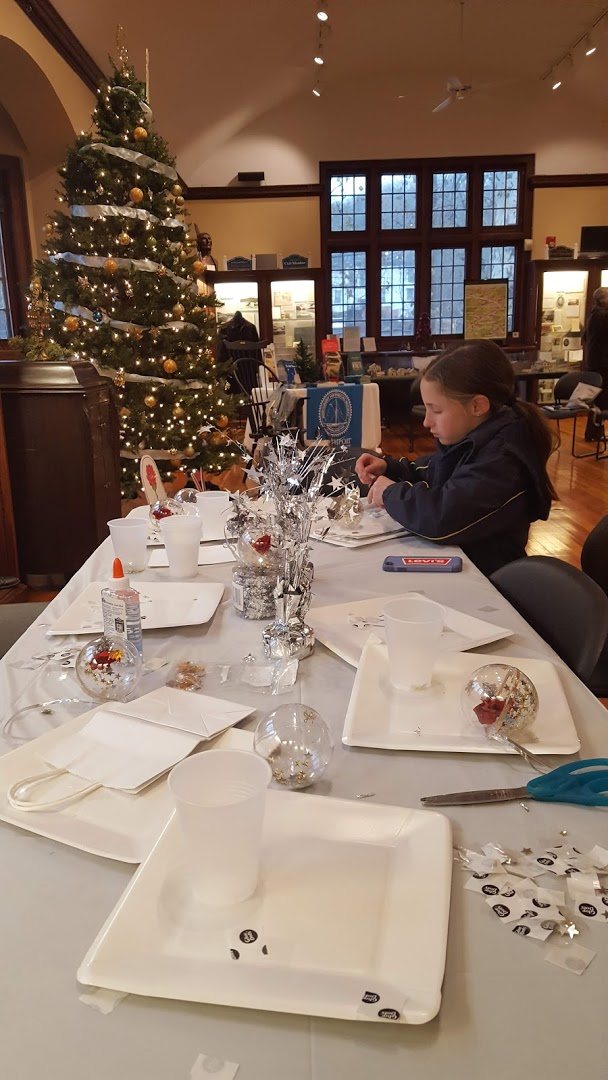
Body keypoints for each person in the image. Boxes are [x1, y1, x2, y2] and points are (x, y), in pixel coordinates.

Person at [355, 340, 557, 577]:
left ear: (477, 406)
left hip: (487, 578)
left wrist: (390, 493)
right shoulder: (475, 438)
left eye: (436, 410)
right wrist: (391, 468)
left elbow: (442, 517)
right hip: (462, 562)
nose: (426, 421)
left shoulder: (504, 460)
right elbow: (435, 470)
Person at [582, 286, 608, 440]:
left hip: (594, 362)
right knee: (601, 399)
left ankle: (594, 431)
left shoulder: (594, 315)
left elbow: (585, 337)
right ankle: (595, 432)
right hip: (602, 364)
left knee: (597, 399)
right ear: (603, 299)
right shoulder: (603, 316)